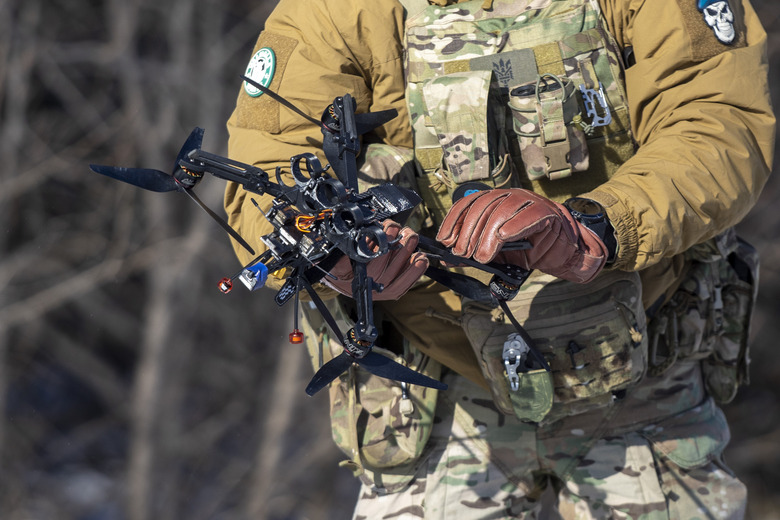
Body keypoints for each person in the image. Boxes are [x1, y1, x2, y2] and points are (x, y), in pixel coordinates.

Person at [224, 0, 775, 517]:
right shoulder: (334, 11)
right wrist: (333, 255)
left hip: (642, 368)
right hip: (434, 388)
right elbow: (266, 163)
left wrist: (599, 223)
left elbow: (720, 122)